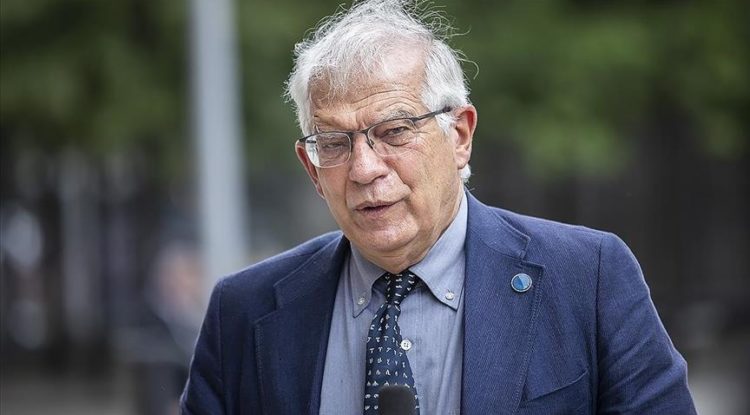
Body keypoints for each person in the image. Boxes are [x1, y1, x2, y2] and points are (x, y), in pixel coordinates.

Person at [180, 1, 696, 413]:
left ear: (460, 136)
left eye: (394, 132)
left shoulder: (588, 279)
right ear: (312, 168)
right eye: (334, 143)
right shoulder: (242, 312)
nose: (364, 169)